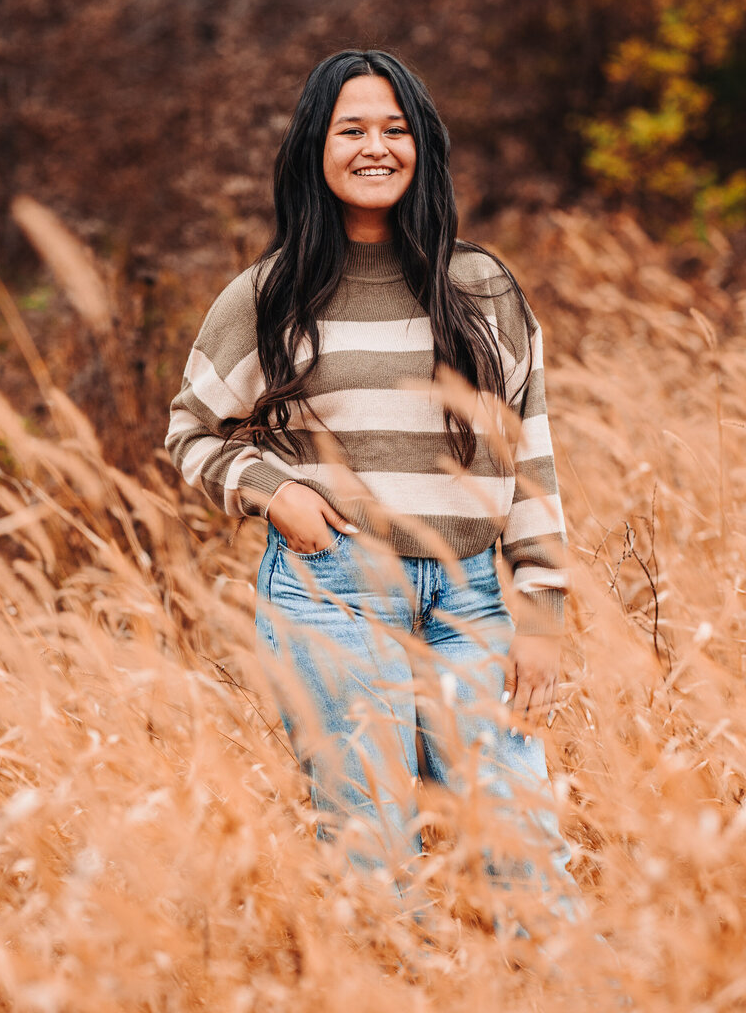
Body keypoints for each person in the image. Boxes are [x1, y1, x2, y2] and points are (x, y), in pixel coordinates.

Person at [165, 49, 586, 936]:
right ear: (315, 146)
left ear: (422, 147)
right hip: (332, 596)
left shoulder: (483, 288)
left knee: (520, 845)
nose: (375, 147)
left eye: (395, 129)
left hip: (471, 601)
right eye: (352, 128)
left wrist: (542, 609)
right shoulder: (269, 295)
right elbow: (190, 430)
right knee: (375, 847)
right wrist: (269, 489)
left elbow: (530, 453)